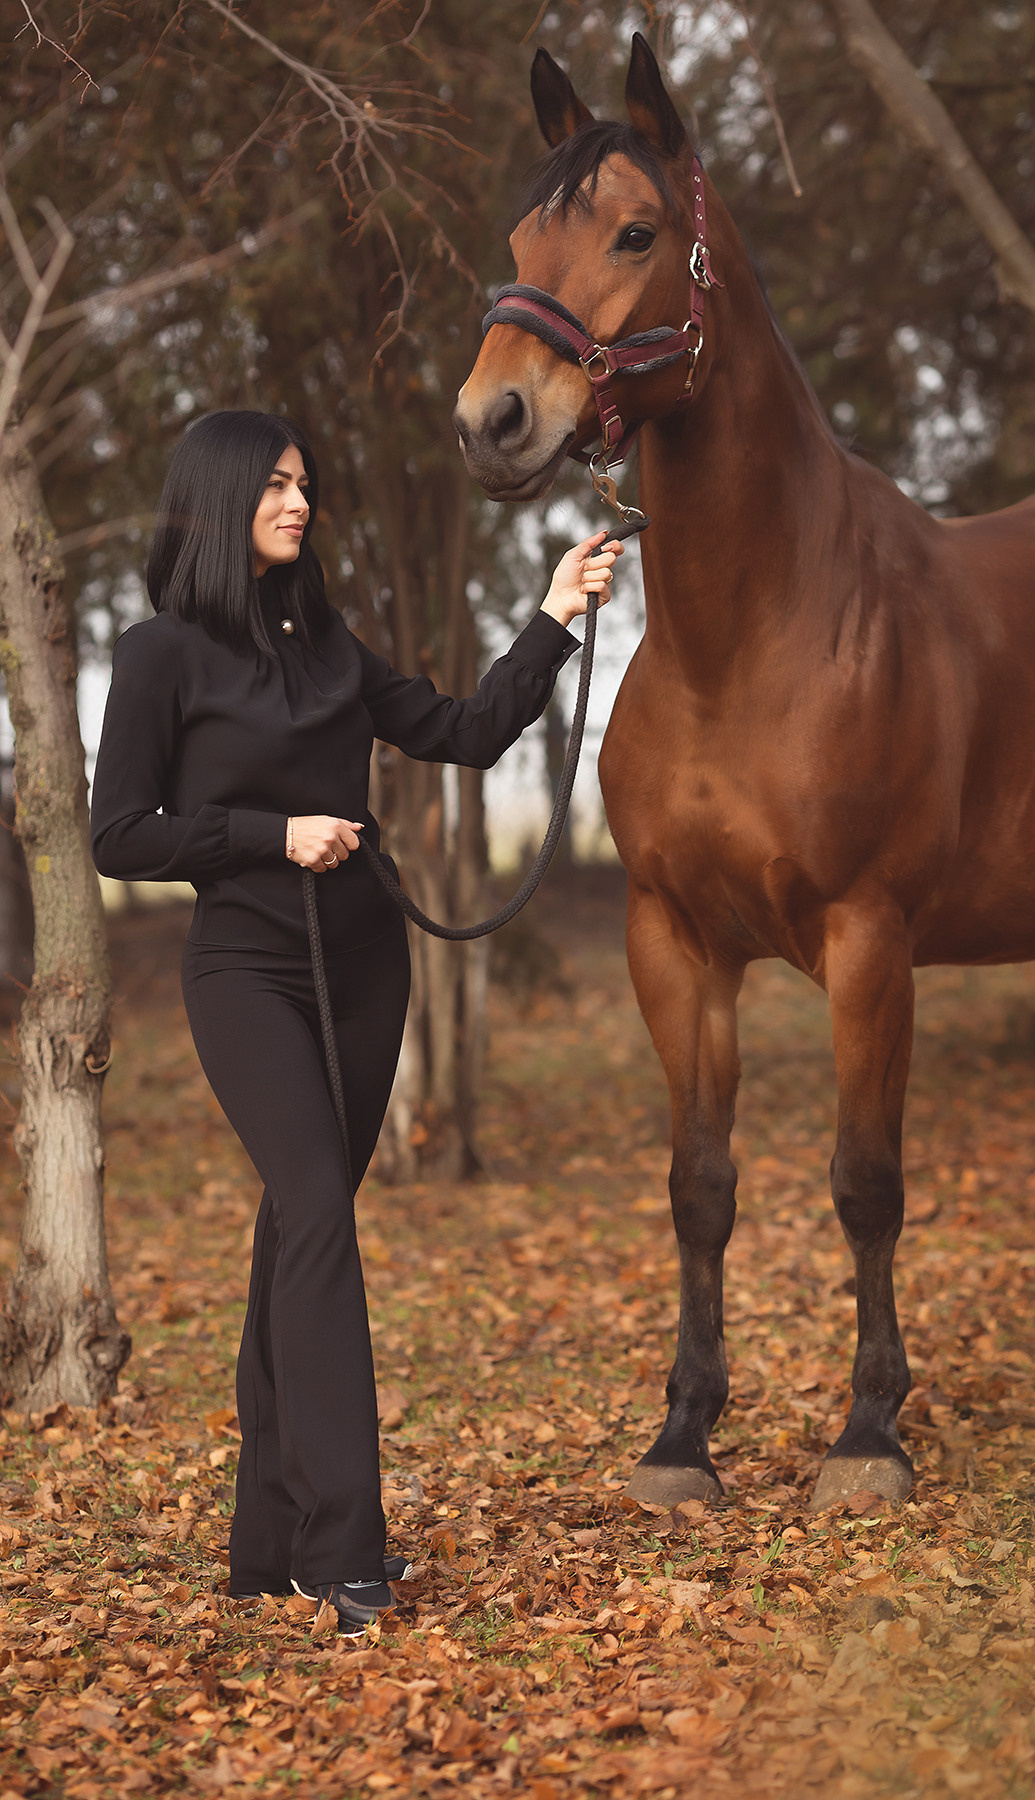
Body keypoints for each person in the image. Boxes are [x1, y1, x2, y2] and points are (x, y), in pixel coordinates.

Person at [90, 409, 621, 1637]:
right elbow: (121, 831)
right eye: (275, 485)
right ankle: (347, 1549)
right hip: (246, 969)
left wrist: (553, 615)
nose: (299, 501)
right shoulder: (164, 652)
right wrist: (268, 837)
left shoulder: (325, 640)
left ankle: (265, 1542)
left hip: (366, 961)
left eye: (304, 484)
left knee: (300, 1228)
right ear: (219, 500)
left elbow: (466, 732)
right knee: (320, 1210)